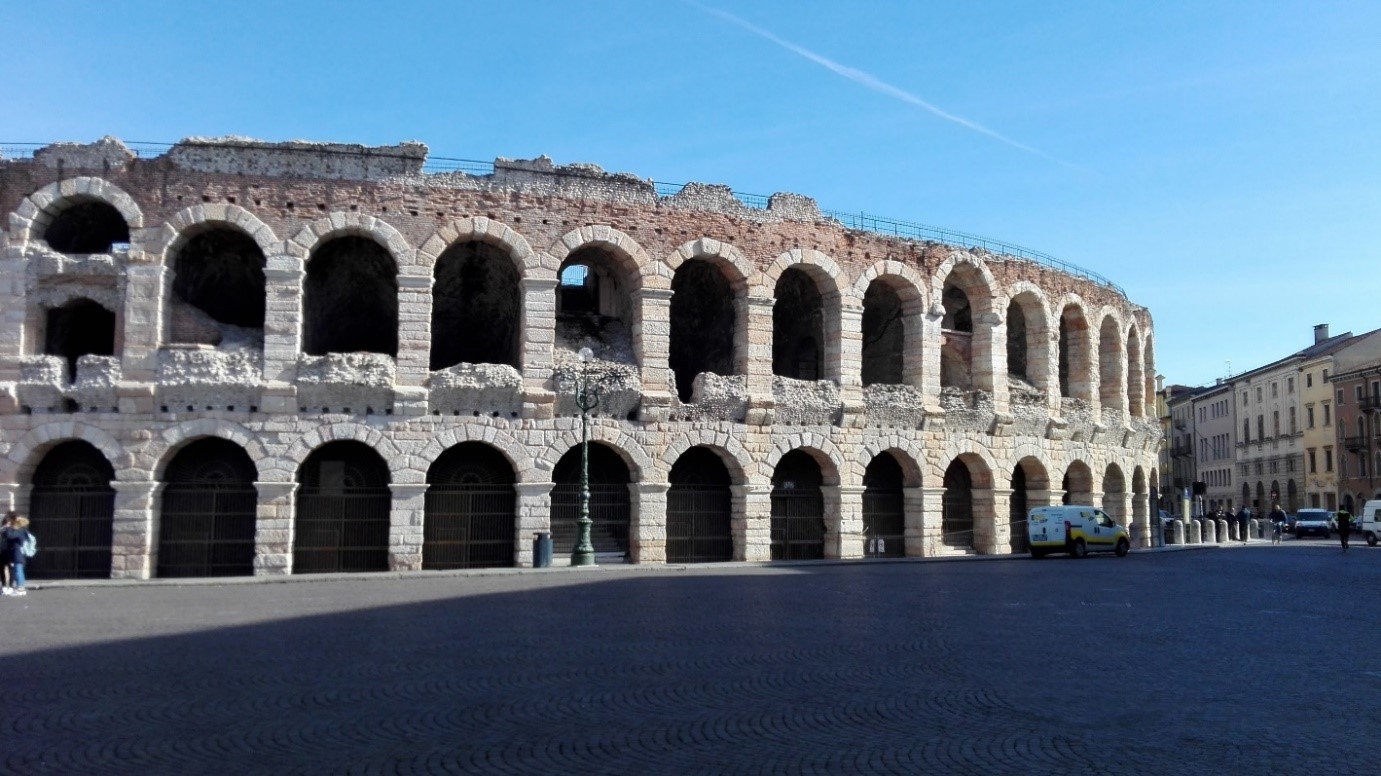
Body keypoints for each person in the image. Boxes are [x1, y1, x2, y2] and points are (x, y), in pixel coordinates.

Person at [0, 511, 31, 596]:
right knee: (17, 570)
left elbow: (10, 536)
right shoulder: (22, 530)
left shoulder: (19, 530)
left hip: (18, 553)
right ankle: (19, 587)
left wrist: (8, 528)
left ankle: (20, 588)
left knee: (18, 570)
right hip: (16, 552)